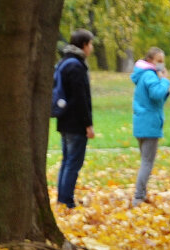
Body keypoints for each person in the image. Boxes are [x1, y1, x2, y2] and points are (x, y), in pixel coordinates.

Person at [54, 29, 95, 209]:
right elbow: (80, 99)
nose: (92, 48)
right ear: (84, 45)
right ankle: (66, 201)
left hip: (64, 120)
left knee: (67, 161)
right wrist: (88, 124)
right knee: (73, 163)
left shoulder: (64, 62)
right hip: (75, 123)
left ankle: (63, 199)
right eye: (91, 44)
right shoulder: (76, 66)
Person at [130, 47, 170, 207]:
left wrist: (163, 87)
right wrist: (165, 81)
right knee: (147, 163)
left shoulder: (143, 75)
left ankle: (142, 194)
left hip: (142, 123)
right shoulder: (149, 75)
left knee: (145, 161)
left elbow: (156, 99)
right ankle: (138, 196)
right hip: (150, 124)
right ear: (150, 61)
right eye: (158, 61)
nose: (161, 65)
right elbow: (156, 94)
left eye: (163, 61)